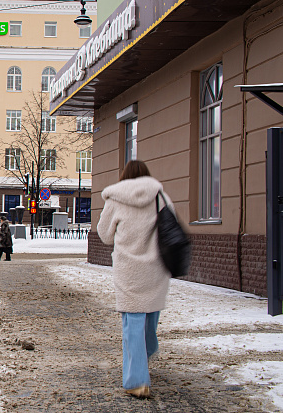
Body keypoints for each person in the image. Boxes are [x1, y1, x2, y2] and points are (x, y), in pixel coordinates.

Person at [97, 160, 172, 399]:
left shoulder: (115, 200)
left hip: (129, 270)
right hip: (157, 267)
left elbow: (105, 234)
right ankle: (147, 351)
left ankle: (137, 380)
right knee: (150, 316)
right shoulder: (160, 197)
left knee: (133, 322)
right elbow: (172, 228)